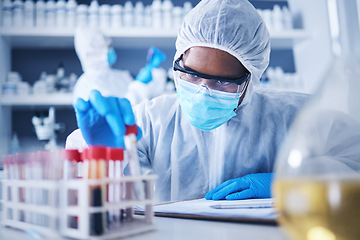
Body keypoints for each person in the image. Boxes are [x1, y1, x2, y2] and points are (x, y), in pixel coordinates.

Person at [67, 0, 308, 203]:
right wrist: (103, 157)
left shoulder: (292, 118)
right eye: (192, 75)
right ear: (178, 61)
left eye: (223, 82)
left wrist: (291, 183)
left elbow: (344, 165)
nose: (203, 92)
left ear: (251, 78)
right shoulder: (154, 120)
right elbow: (91, 198)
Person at [72, 28, 167, 106]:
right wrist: (139, 84)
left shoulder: (120, 77)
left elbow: (147, 102)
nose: (111, 50)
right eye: (108, 46)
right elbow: (119, 112)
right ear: (94, 52)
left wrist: (153, 69)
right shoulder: (86, 84)